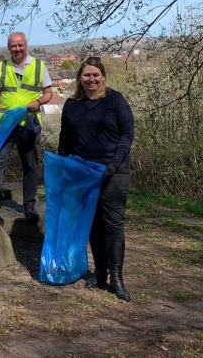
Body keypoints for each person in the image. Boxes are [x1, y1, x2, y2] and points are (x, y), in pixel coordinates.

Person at [57, 56, 134, 301]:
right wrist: (64, 167)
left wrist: (113, 164)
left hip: (114, 170)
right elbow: (65, 139)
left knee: (113, 224)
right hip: (84, 172)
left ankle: (117, 277)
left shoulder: (115, 100)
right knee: (92, 223)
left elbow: (126, 135)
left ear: (103, 77)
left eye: (96, 75)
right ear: (80, 78)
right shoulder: (71, 104)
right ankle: (100, 271)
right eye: (86, 75)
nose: (91, 79)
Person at [0, 32, 53, 222]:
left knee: (30, 165)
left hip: (28, 123)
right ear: (9, 48)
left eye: (20, 45)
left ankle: (29, 206)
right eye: (13, 46)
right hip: (4, 125)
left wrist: (38, 101)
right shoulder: (1, 67)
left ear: (26, 45)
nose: (17, 49)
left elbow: (49, 93)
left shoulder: (39, 67)